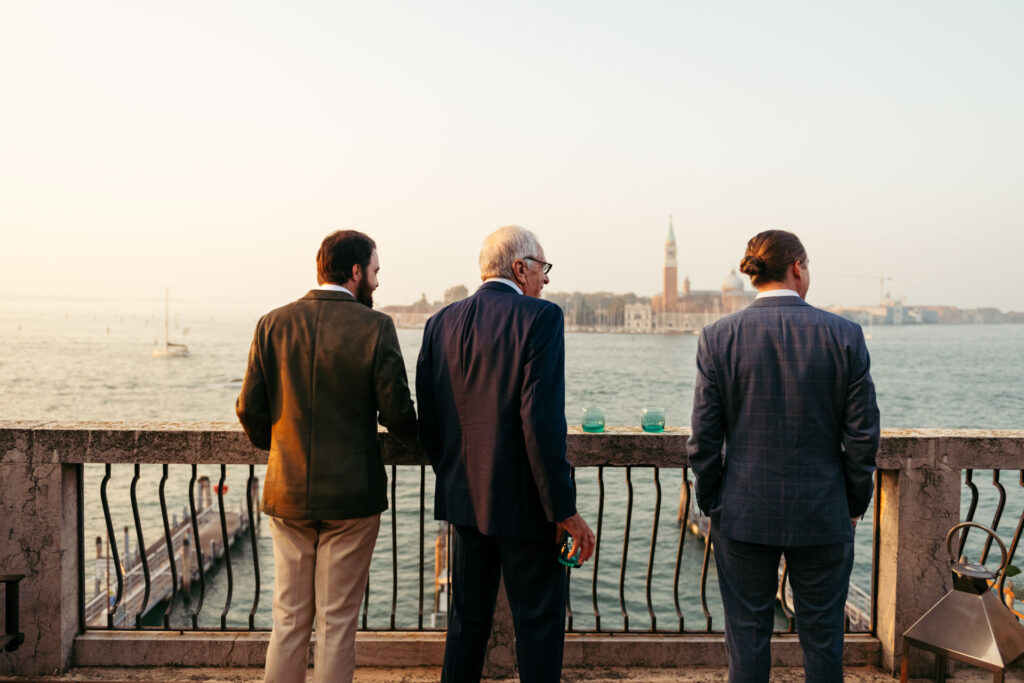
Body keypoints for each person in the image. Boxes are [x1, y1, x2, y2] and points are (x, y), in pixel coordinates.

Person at [687, 230, 880, 683]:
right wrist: (852, 505)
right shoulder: (845, 336)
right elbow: (863, 439)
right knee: (824, 640)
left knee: (747, 639)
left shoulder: (718, 337)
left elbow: (703, 440)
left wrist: (715, 500)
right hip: (823, 511)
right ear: (797, 268)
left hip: (743, 511)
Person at [236, 230, 418, 683]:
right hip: (352, 499)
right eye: (375, 272)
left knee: (289, 621)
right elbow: (397, 413)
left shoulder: (271, 323)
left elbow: (248, 409)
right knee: (337, 625)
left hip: (288, 491)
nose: (377, 281)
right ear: (356, 272)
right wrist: (436, 444)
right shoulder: (376, 327)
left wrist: (282, 449)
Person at [416, 225, 596, 683]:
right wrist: (564, 511)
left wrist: (457, 475)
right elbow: (541, 425)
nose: (546, 280)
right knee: (537, 624)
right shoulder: (541, 318)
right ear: (520, 268)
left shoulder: (440, 323)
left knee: (466, 622)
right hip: (526, 506)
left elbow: (430, 422)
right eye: (542, 267)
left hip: (463, 500)